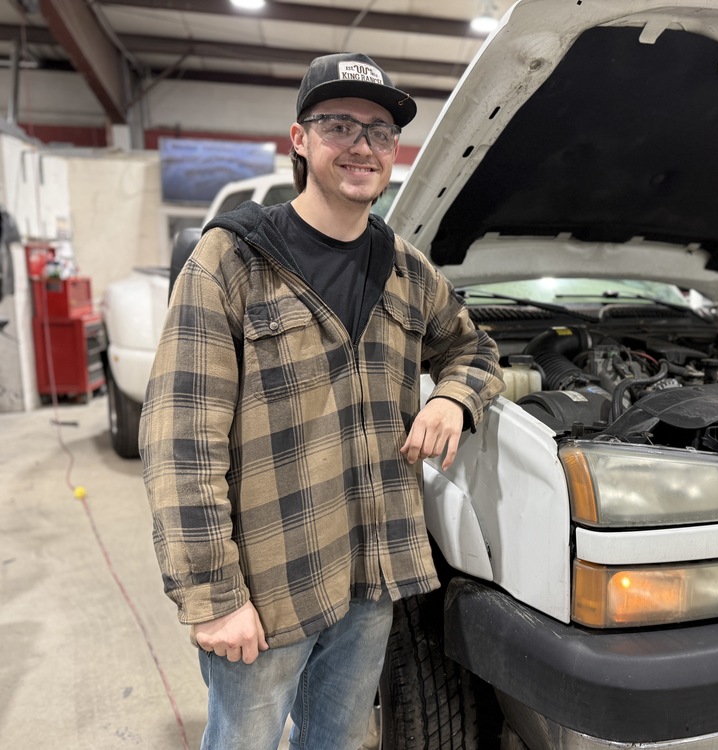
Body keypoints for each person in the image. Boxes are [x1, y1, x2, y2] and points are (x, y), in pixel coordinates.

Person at [139, 52, 504, 750]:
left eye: (379, 132)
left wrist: (453, 401)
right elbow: (181, 441)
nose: (362, 146)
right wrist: (214, 596)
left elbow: (473, 348)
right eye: (339, 125)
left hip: (369, 576)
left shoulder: (402, 265)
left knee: (335, 741)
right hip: (268, 585)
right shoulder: (233, 260)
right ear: (299, 140)